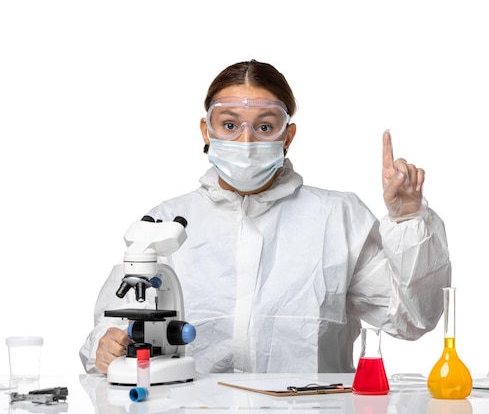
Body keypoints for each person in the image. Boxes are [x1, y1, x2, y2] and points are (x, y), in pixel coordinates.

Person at [79, 59, 452, 375]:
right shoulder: (166, 223)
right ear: (205, 130)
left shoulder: (338, 217)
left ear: (287, 136)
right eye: (229, 124)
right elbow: (111, 328)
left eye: (264, 126)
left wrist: (408, 219)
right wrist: (106, 346)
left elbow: (411, 321)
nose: (246, 141)